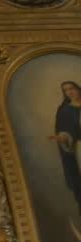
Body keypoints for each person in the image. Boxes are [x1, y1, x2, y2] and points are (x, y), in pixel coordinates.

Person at [49, 81, 81, 214]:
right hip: (79, 149)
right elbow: (62, 130)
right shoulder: (64, 110)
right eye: (66, 90)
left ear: (78, 89)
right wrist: (63, 137)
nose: (69, 92)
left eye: (71, 88)